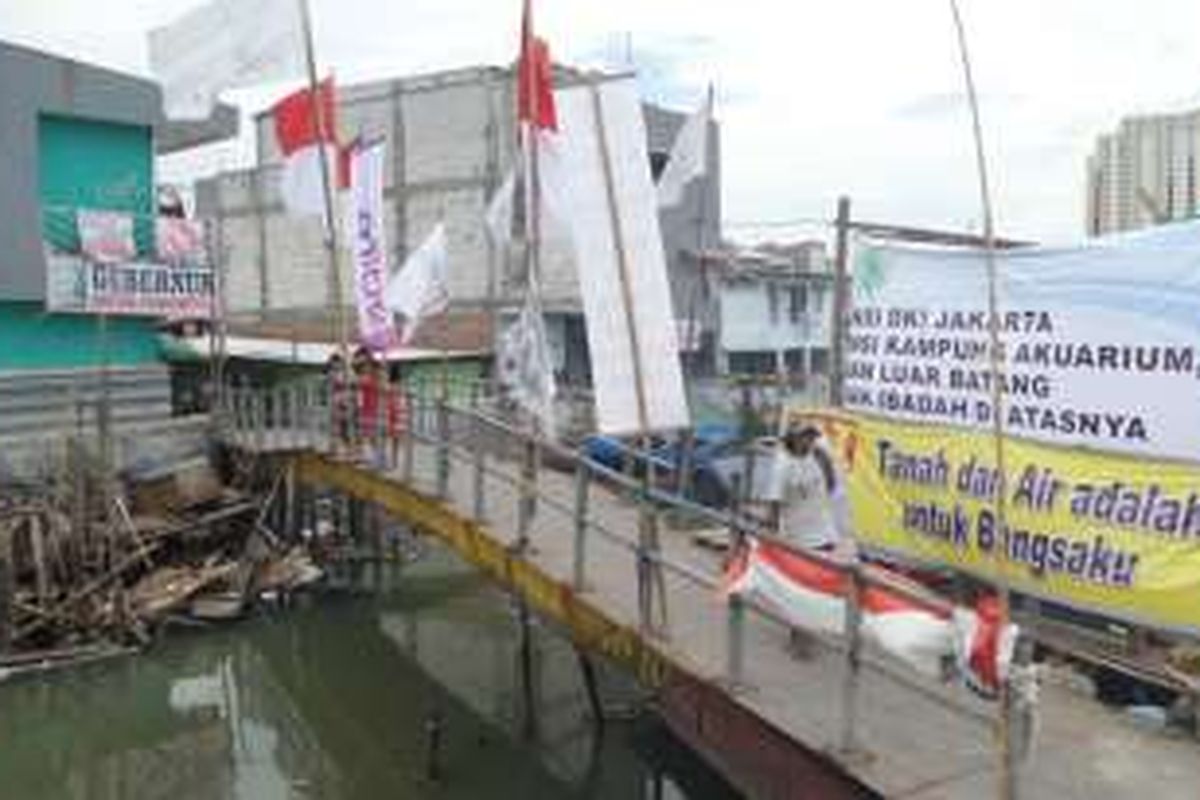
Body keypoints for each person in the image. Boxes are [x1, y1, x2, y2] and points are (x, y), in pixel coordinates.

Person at [767, 424, 841, 553]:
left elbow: (831, 487)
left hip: (825, 534)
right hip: (799, 539)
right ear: (794, 439)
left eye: (812, 437)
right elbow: (774, 502)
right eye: (806, 436)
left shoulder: (815, 457)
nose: (811, 440)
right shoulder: (783, 465)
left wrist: (827, 462)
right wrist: (773, 536)